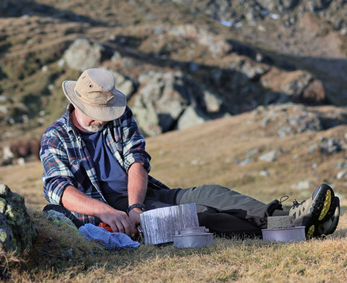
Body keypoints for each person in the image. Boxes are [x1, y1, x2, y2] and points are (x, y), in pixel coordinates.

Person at [40, 68, 340, 240]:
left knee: (214, 193)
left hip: (141, 195)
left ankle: (293, 218)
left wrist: (135, 207)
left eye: (106, 111)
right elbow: (58, 189)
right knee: (198, 217)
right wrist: (109, 212)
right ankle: (296, 228)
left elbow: (136, 160)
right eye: (97, 113)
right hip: (107, 209)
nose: (103, 118)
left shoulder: (119, 116)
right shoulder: (55, 138)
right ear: (77, 104)